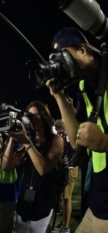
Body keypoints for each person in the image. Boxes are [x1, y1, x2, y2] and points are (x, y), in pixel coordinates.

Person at [46, 27, 108, 233]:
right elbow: (76, 142)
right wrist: (59, 97)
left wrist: (105, 141)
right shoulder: (84, 85)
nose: (61, 66)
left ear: (82, 49)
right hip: (99, 194)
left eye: (64, 57)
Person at [1, 101, 63, 233]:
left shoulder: (56, 140)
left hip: (44, 196)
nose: (34, 119)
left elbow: (43, 169)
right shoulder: (28, 139)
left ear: (45, 117)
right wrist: (12, 139)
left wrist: (26, 142)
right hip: (26, 196)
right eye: (30, 116)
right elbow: (6, 166)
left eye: (38, 115)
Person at [52, 119, 79, 233]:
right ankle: (64, 222)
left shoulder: (70, 135)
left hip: (70, 169)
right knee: (64, 198)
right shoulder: (65, 135)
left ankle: (66, 227)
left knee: (67, 199)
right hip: (65, 169)